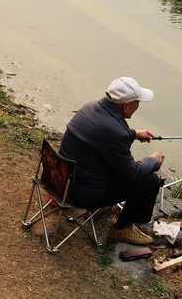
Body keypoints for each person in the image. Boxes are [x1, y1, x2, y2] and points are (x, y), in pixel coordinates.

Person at [59, 77, 165, 245]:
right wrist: (153, 161)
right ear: (126, 105)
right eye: (137, 102)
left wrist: (133, 133)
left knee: (121, 168)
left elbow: (106, 135)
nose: (138, 106)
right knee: (149, 180)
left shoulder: (90, 107)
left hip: (59, 182)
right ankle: (122, 229)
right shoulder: (116, 132)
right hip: (81, 195)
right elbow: (131, 173)